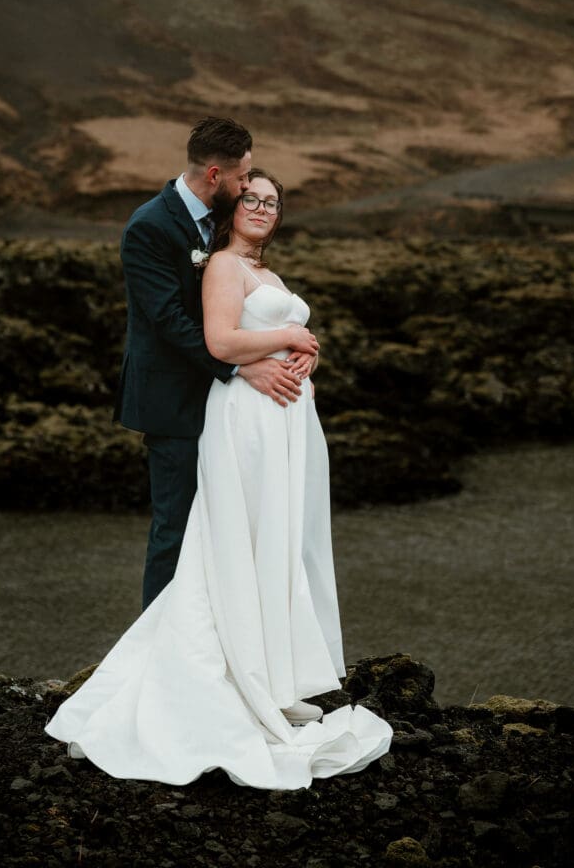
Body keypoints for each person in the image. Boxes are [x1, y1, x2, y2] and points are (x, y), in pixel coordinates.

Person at [46, 168, 392, 790]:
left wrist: (305, 349)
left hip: (286, 421)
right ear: (231, 207)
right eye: (251, 197)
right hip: (248, 423)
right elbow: (221, 339)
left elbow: (268, 336)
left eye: (272, 201)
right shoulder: (224, 266)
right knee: (234, 534)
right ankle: (203, 674)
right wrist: (286, 336)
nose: (261, 206)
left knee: (278, 538)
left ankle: (270, 668)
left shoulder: (268, 274)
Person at [112, 117, 308, 609]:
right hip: (173, 402)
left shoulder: (220, 222)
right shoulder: (149, 227)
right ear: (216, 174)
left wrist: (292, 348)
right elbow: (169, 321)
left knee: (228, 527)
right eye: (244, 178)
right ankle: (157, 648)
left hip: (229, 407)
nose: (249, 187)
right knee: (175, 528)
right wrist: (241, 367)